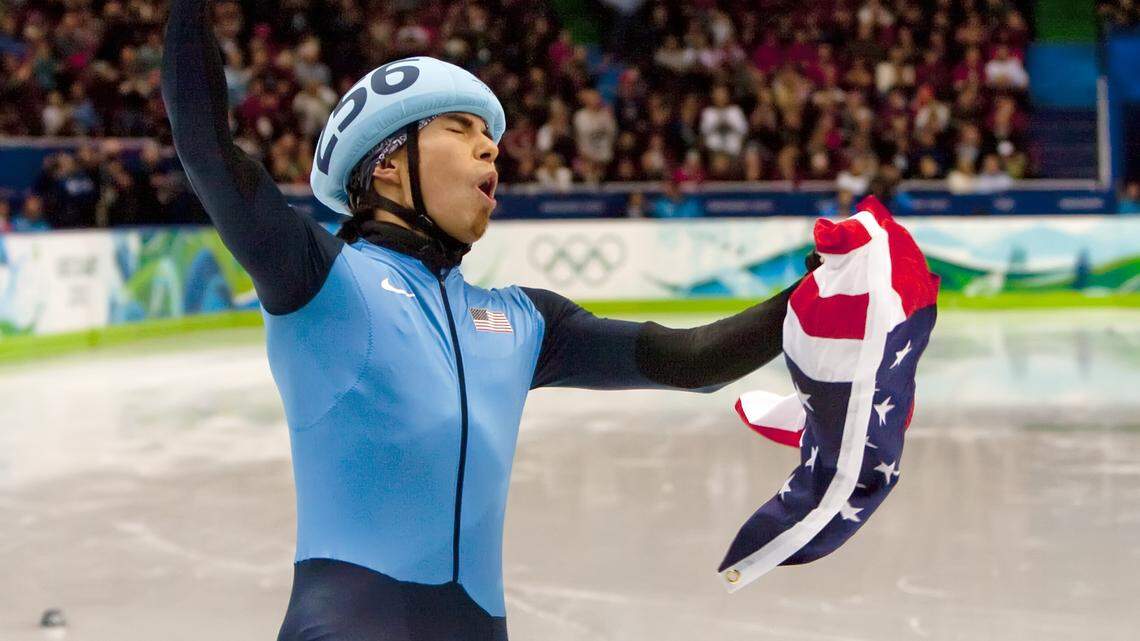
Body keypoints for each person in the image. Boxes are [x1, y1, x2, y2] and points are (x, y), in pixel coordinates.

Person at [162, 2, 809, 639]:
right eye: (461, 129)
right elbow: (205, 147)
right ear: (386, 164)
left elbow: (693, 361)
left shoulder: (523, 320)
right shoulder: (322, 279)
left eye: (491, 139)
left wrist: (817, 290)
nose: (489, 150)